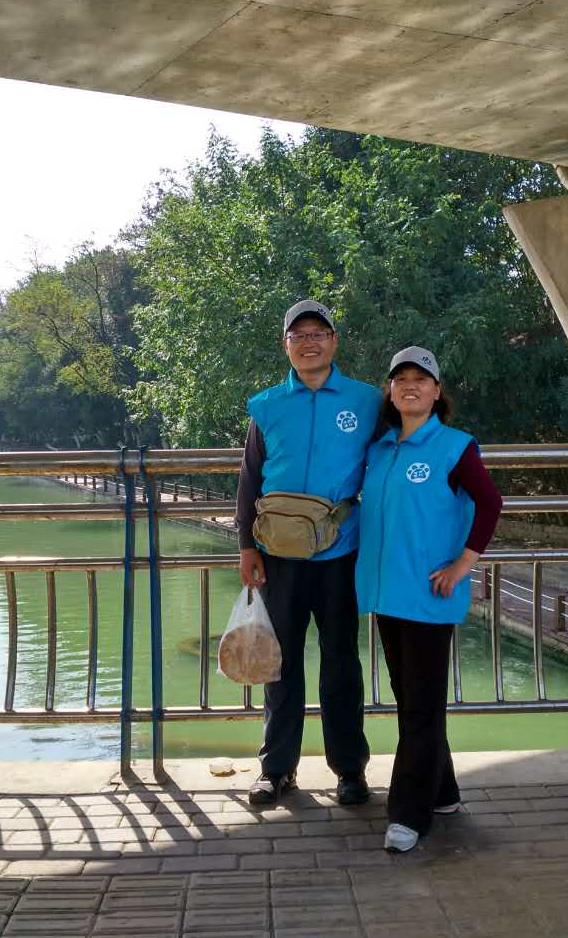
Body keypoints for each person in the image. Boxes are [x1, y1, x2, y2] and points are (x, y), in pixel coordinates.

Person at [355, 345, 503, 853]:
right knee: (413, 700)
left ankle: (408, 815)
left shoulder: (455, 447)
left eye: (421, 379)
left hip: (428, 594)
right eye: (401, 380)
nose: (410, 387)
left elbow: (490, 502)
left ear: (437, 392)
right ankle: (442, 792)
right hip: (386, 593)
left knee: (420, 707)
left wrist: (464, 564)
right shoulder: (380, 449)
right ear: (390, 391)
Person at [236, 299, 382, 807]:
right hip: (277, 554)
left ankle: (349, 769)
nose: (309, 342)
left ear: (334, 341)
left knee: (341, 661)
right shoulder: (267, 405)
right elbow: (250, 478)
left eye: (319, 333)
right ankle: (277, 769)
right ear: (286, 346)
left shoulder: (367, 401)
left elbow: (390, 462)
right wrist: (246, 544)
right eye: (299, 335)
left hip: (341, 551)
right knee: (280, 663)